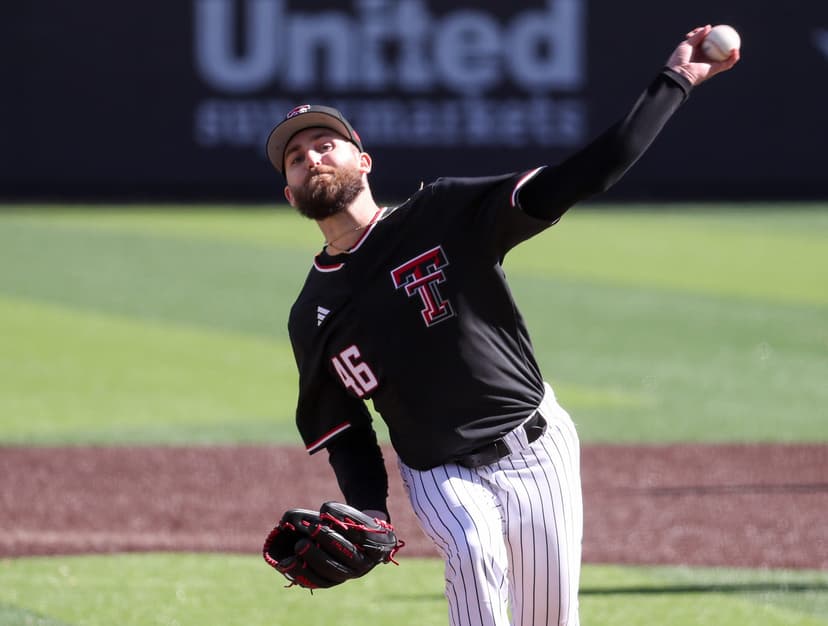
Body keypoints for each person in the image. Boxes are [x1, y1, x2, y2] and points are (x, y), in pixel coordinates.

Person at [264, 25, 739, 626]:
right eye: (296, 158)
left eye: (323, 144)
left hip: (537, 447)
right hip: (438, 471)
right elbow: (345, 430)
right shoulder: (313, 314)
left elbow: (589, 172)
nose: (311, 158)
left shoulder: (443, 214)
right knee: (472, 550)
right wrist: (370, 509)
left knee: (549, 619)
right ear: (291, 194)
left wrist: (678, 79)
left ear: (363, 160)